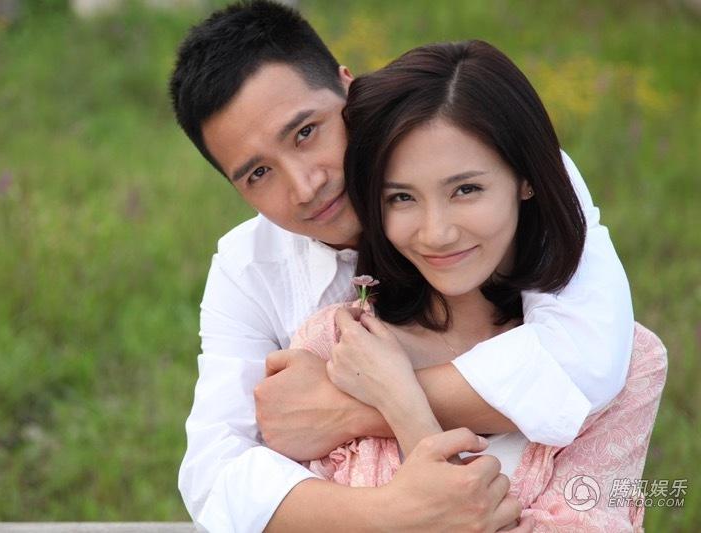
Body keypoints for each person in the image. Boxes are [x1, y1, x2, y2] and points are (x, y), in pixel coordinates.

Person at [169, 1, 633, 531]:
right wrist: (396, 513)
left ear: (349, 88)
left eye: (305, 132)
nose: (305, 186)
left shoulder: (484, 161)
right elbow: (213, 474)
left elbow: (587, 361)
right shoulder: (249, 267)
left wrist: (350, 406)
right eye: (257, 174)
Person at [288, 40, 666, 531]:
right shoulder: (338, 345)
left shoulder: (630, 365)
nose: (436, 233)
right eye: (401, 197)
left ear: (526, 179)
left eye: (466, 189)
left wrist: (406, 407)